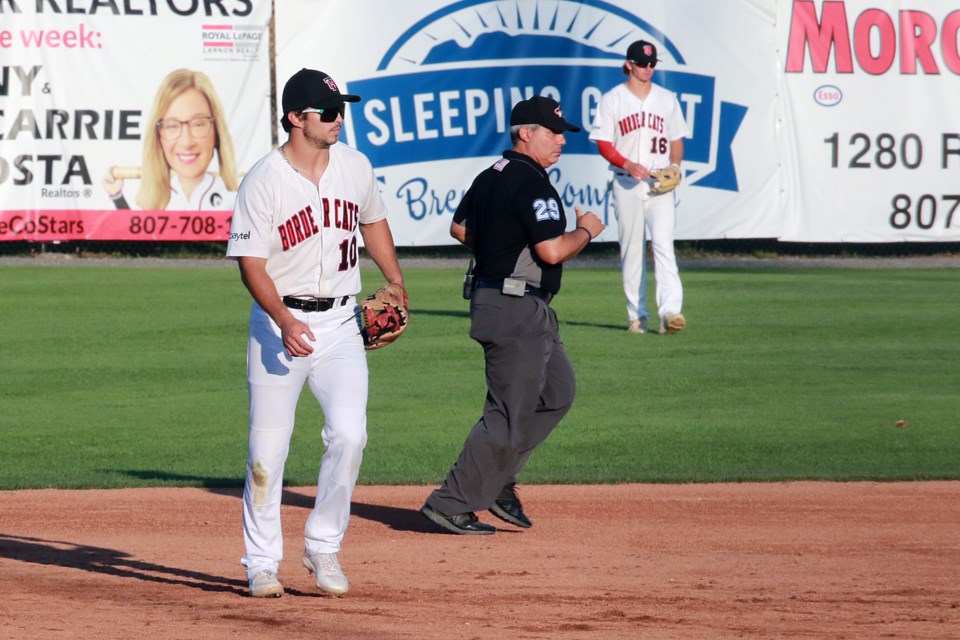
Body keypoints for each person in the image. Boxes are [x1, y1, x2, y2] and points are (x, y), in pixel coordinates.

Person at [226, 68, 404, 597]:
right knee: (267, 453)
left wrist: (395, 280)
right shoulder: (264, 179)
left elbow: (372, 221)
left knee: (350, 436)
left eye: (340, 108)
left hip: (343, 323)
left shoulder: (355, 166)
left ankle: (323, 547)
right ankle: (261, 562)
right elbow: (251, 264)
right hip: (279, 323)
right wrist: (283, 320)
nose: (338, 119)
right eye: (327, 111)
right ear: (294, 118)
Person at [420, 96, 605, 535]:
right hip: (515, 306)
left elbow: (459, 227)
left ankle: (497, 478)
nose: (561, 140)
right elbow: (553, 250)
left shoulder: (492, 175)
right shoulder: (532, 182)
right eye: (553, 132)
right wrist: (588, 231)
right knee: (509, 411)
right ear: (526, 133)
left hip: (510, 303)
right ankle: (450, 502)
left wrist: (498, 249)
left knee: (556, 392)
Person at [589, 40, 689, 335]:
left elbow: (677, 141)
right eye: (642, 63)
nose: (647, 69)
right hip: (626, 182)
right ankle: (637, 316)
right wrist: (627, 163)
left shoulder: (666, 99)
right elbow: (604, 143)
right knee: (632, 250)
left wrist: (675, 167)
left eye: (652, 64)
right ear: (628, 64)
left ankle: (670, 312)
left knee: (663, 246)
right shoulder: (613, 100)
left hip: (659, 184)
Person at [103, 68, 240, 210]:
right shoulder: (156, 200)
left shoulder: (236, 200)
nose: (187, 142)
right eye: (172, 126)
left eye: (198, 124)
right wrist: (117, 196)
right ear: (158, 136)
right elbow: (133, 232)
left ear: (217, 131)